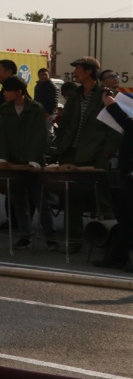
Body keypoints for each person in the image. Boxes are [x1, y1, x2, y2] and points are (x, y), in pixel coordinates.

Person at [51, 57, 122, 250]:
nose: (75, 73)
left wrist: (106, 153)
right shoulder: (75, 94)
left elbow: (115, 127)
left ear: (89, 71)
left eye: (78, 69)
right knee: (70, 200)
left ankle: (111, 242)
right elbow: (65, 121)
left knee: (102, 199)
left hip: (95, 154)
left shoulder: (106, 95)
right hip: (70, 152)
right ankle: (73, 242)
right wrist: (61, 143)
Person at [0, 76, 56, 250]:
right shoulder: (5, 108)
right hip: (14, 162)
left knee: (41, 201)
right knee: (19, 202)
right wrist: (3, 157)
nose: (5, 93)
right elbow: (2, 134)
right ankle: (25, 236)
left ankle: (50, 238)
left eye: (8, 90)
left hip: (34, 163)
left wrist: (34, 159)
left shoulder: (35, 108)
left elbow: (40, 135)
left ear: (19, 92)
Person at [93, 88, 133, 271]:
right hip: (127, 170)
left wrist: (112, 106)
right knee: (125, 217)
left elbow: (130, 125)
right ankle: (118, 257)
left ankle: (118, 257)